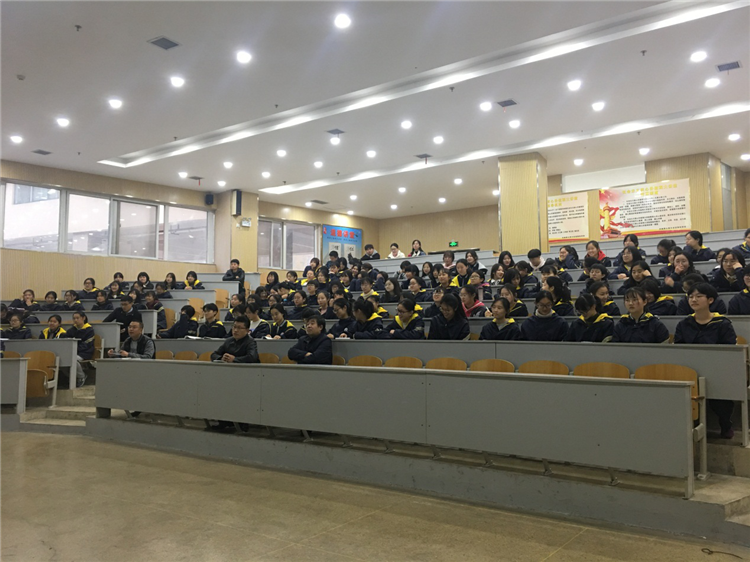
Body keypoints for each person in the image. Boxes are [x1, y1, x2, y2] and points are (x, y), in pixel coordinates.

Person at [674, 283, 737, 439]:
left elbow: (729, 352)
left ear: (710, 300)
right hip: (689, 369)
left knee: (720, 398)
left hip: (717, 370)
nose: (693, 300)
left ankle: (725, 423)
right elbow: (678, 350)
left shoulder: (723, 324)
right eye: (690, 297)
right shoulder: (684, 324)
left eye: (699, 296)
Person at [62, 311, 95, 387]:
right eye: (74, 318)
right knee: (62, 361)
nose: (75, 320)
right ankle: (72, 377)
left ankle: (82, 376)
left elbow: (87, 344)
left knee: (73, 359)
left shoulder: (89, 330)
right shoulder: (72, 330)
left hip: (85, 352)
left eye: (77, 318)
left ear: (83, 318)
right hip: (72, 352)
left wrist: (75, 349)